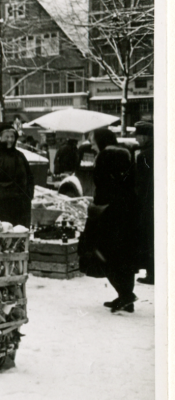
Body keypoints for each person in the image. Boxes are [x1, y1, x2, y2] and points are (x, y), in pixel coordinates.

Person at [78, 128, 138, 313]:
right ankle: (126, 297)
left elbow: (103, 186)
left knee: (104, 253)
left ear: (102, 141)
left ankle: (125, 295)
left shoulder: (105, 157)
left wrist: (96, 208)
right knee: (123, 255)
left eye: (93, 140)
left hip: (107, 213)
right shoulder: (126, 155)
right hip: (126, 212)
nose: (92, 144)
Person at [134, 121, 154, 285]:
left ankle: (151, 273)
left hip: (147, 204)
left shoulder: (144, 156)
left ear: (145, 136)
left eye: (138, 135)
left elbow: (140, 184)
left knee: (149, 237)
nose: (136, 139)